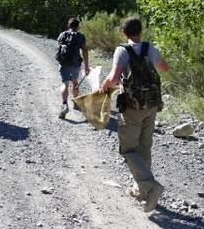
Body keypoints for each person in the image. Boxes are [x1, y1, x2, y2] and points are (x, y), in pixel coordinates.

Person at [101, 17, 169, 212]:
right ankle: (140, 191)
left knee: (129, 149)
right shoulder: (151, 49)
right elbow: (165, 68)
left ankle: (150, 186)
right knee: (144, 145)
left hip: (132, 107)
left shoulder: (122, 50)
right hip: (152, 104)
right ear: (142, 31)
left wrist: (104, 87)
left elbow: (113, 80)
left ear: (124, 33)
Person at [57, 18, 90, 119]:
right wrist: (86, 66)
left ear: (68, 26)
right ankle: (75, 102)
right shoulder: (81, 36)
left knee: (65, 84)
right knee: (75, 82)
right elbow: (85, 50)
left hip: (64, 63)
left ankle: (64, 104)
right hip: (76, 63)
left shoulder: (62, 34)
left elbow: (59, 49)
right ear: (78, 27)